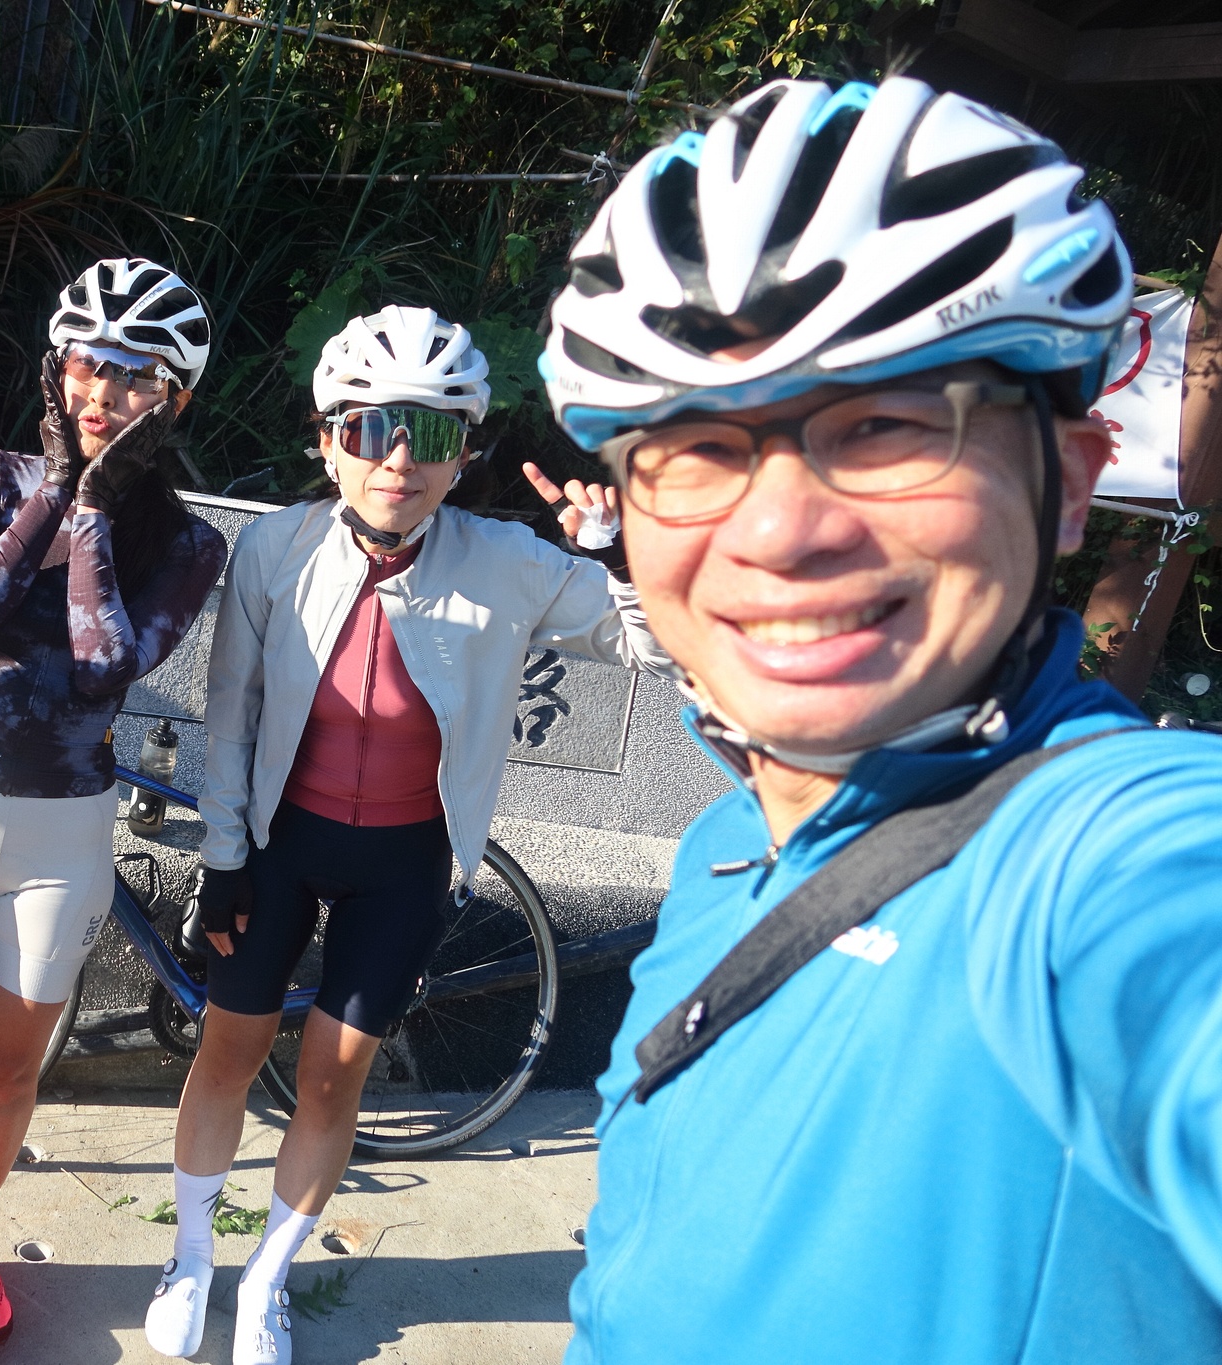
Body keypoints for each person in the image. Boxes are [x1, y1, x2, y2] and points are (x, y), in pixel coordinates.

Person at [541, 76, 1222, 1362]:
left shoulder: (1095, 859)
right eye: (693, 449)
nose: (777, 531)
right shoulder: (724, 847)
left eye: (890, 428)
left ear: (1069, 487)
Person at [146, 305, 673, 1365]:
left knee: (333, 1077)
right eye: (372, 428)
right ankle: (190, 1256)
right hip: (278, 845)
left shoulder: (506, 560)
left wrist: (618, 549)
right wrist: (222, 860)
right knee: (228, 1052)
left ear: (464, 453)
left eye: (431, 433)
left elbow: (651, 647)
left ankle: (266, 1280)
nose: (399, 459)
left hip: (405, 860)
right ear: (328, 441)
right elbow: (232, 717)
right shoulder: (274, 548)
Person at [0, 257, 229, 1365]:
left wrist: (99, 511)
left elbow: (105, 664)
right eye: (88, 364)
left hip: (63, 831)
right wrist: (55, 493)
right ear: (56, 370)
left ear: (175, 398)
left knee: (11, 1070)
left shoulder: (190, 544)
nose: (105, 391)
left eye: (137, 373)